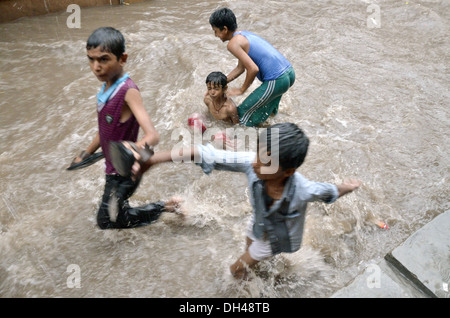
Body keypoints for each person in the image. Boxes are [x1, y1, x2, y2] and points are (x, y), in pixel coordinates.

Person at [113, 122, 362, 279]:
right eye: (257, 154)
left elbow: (328, 191)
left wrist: (347, 187)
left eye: (265, 163)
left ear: (288, 171)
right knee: (249, 247)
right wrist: (155, 160)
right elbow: (205, 153)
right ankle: (261, 268)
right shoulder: (254, 163)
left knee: (236, 270)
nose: (254, 163)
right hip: (259, 221)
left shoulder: (303, 189)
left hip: (281, 237)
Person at [69, 27, 181, 229]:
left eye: (103, 59)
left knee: (106, 221)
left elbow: (153, 136)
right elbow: (104, 130)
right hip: (112, 168)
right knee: (116, 216)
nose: (96, 67)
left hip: (126, 170)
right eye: (91, 59)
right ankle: (166, 207)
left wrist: (132, 149)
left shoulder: (128, 91)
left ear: (122, 59)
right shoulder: (105, 88)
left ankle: (165, 207)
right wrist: (86, 153)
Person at [209, 7, 296, 127]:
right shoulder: (242, 35)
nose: (215, 35)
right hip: (289, 73)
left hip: (277, 79)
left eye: (215, 31)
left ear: (224, 29)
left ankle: (243, 141)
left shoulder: (232, 44)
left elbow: (253, 69)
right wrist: (219, 84)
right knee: (269, 111)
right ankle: (272, 130)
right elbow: (241, 68)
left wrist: (242, 90)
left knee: (241, 114)